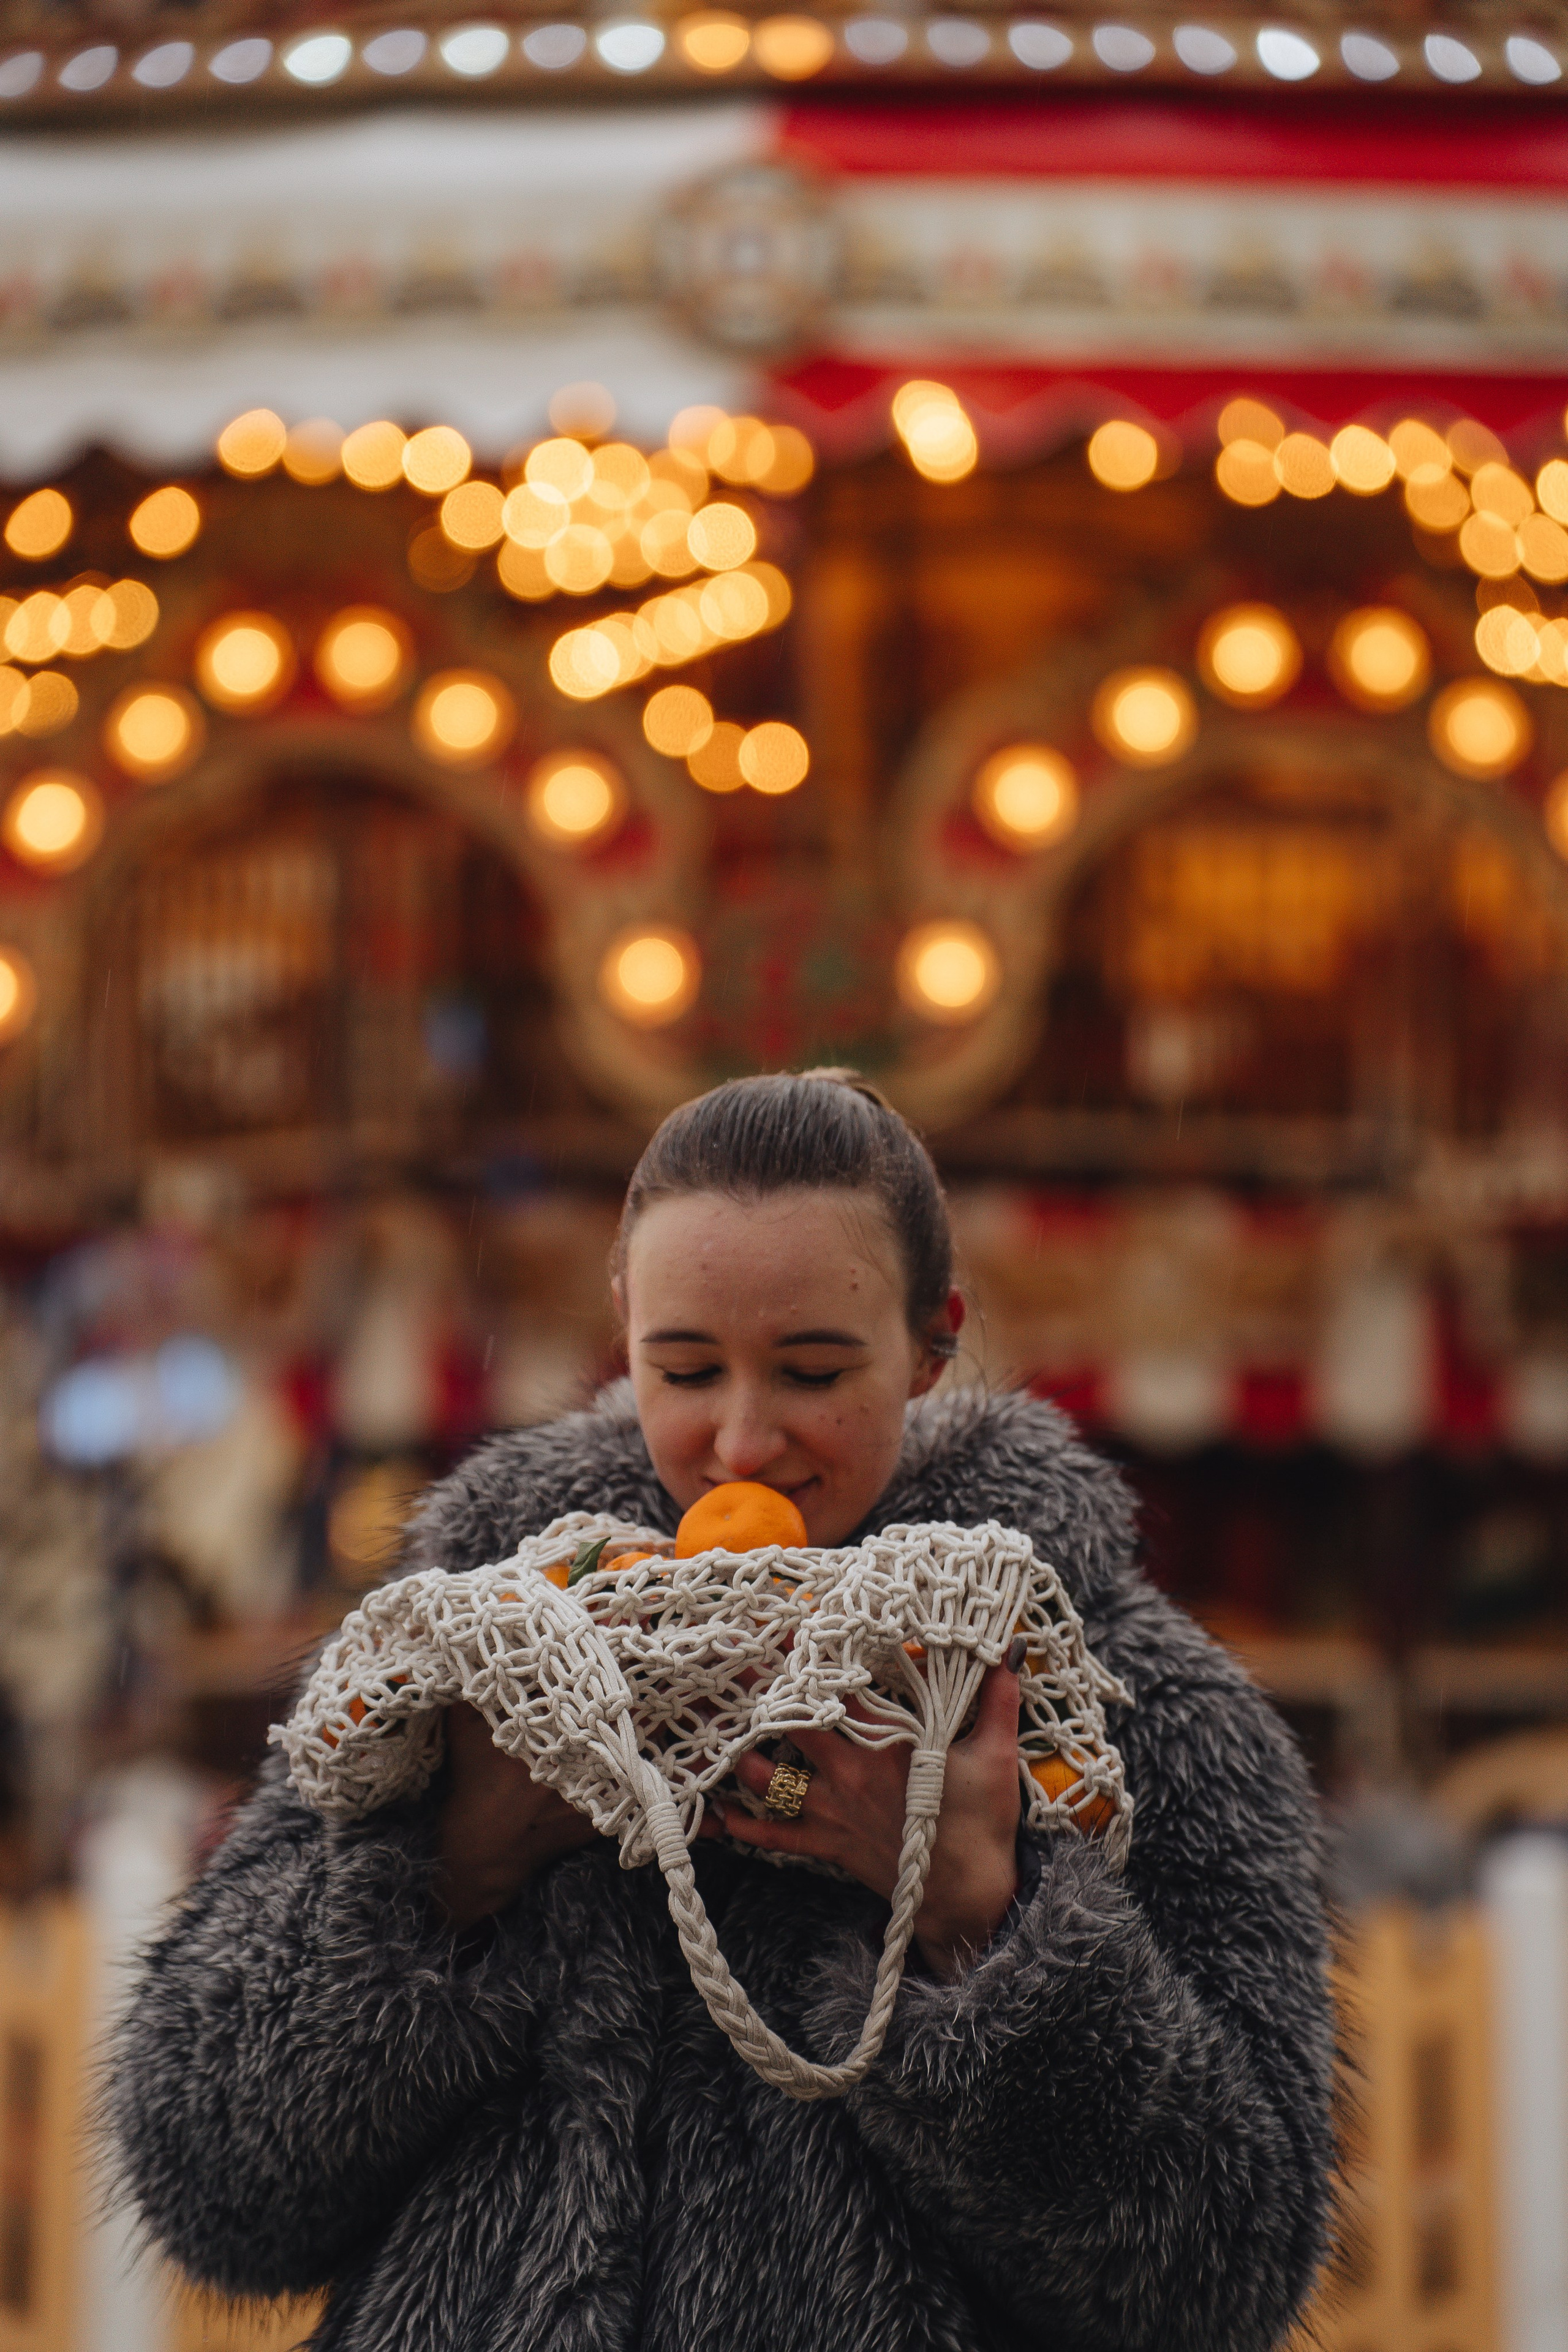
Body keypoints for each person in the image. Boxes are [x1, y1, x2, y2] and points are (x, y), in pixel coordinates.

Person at [111, 1069, 1333, 2352]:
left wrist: (981, 1925)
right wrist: (460, 1865)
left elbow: (1218, 2284)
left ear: (931, 1345)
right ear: (621, 1323)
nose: (742, 1443)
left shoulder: (1130, 1705)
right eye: (685, 1368)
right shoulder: (458, 1660)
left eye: (812, 1371)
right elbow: (210, 2188)